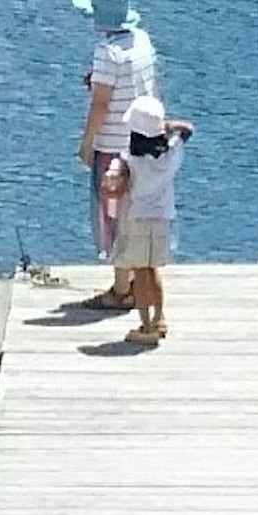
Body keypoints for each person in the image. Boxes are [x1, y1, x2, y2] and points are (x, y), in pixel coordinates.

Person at [71, 0, 156, 297]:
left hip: (112, 147)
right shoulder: (142, 41)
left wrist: (87, 145)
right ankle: (134, 281)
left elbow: (101, 104)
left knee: (113, 216)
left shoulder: (107, 52)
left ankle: (121, 291)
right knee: (135, 212)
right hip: (141, 141)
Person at [101, 94, 185, 342]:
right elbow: (186, 131)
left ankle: (146, 326)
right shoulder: (171, 157)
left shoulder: (129, 158)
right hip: (163, 219)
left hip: (137, 219)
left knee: (140, 272)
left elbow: (117, 180)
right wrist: (166, 127)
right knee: (154, 270)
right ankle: (160, 318)